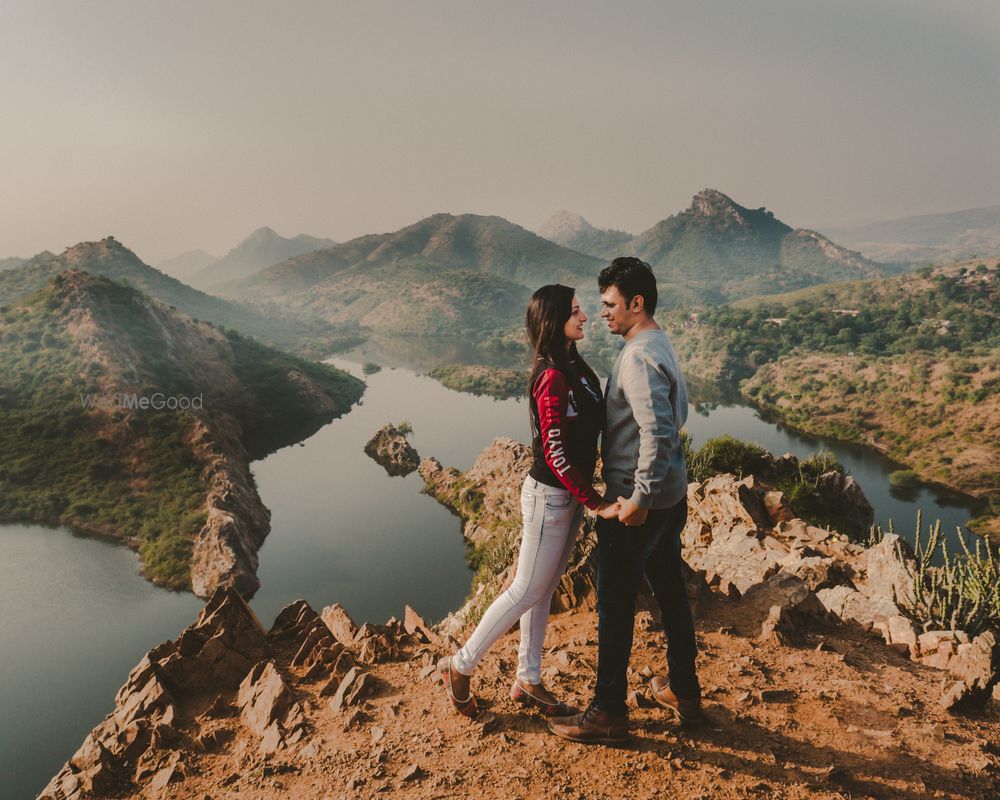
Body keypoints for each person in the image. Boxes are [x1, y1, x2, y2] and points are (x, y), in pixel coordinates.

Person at [438, 284, 620, 719]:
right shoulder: (551, 376)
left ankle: (528, 678)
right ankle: (459, 666)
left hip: (567, 499)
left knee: (542, 590)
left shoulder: (575, 365)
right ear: (555, 320)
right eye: (576, 311)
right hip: (550, 500)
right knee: (524, 589)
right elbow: (555, 453)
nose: (585, 317)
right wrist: (594, 501)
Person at [549, 257, 701, 745]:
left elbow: (657, 432)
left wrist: (637, 498)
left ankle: (608, 712)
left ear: (637, 303)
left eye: (611, 304)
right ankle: (684, 692)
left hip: (638, 508)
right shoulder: (659, 342)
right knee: (671, 596)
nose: (602, 313)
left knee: (613, 607)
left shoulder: (636, 358)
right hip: (670, 501)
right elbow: (673, 423)